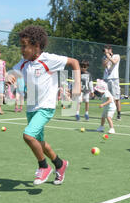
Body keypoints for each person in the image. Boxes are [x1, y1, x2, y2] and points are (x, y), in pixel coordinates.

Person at [6, 25, 80, 186]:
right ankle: (60, 164)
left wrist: (77, 85)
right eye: (21, 45)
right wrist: (10, 76)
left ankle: (43, 166)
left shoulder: (48, 59)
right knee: (39, 142)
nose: (22, 49)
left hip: (45, 107)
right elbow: (13, 71)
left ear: (36, 46)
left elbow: (74, 62)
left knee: (28, 136)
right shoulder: (24, 62)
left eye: (25, 46)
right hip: (31, 108)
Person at [102, 45, 121, 120]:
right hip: (106, 78)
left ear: (110, 49)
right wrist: (106, 57)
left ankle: (119, 114)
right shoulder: (104, 57)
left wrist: (108, 55)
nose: (105, 52)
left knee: (116, 98)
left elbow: (114, 62)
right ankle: (107, 113)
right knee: (107, 97)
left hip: (114, 78)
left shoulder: (117, 56)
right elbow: (104, 65)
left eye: (107, 50)